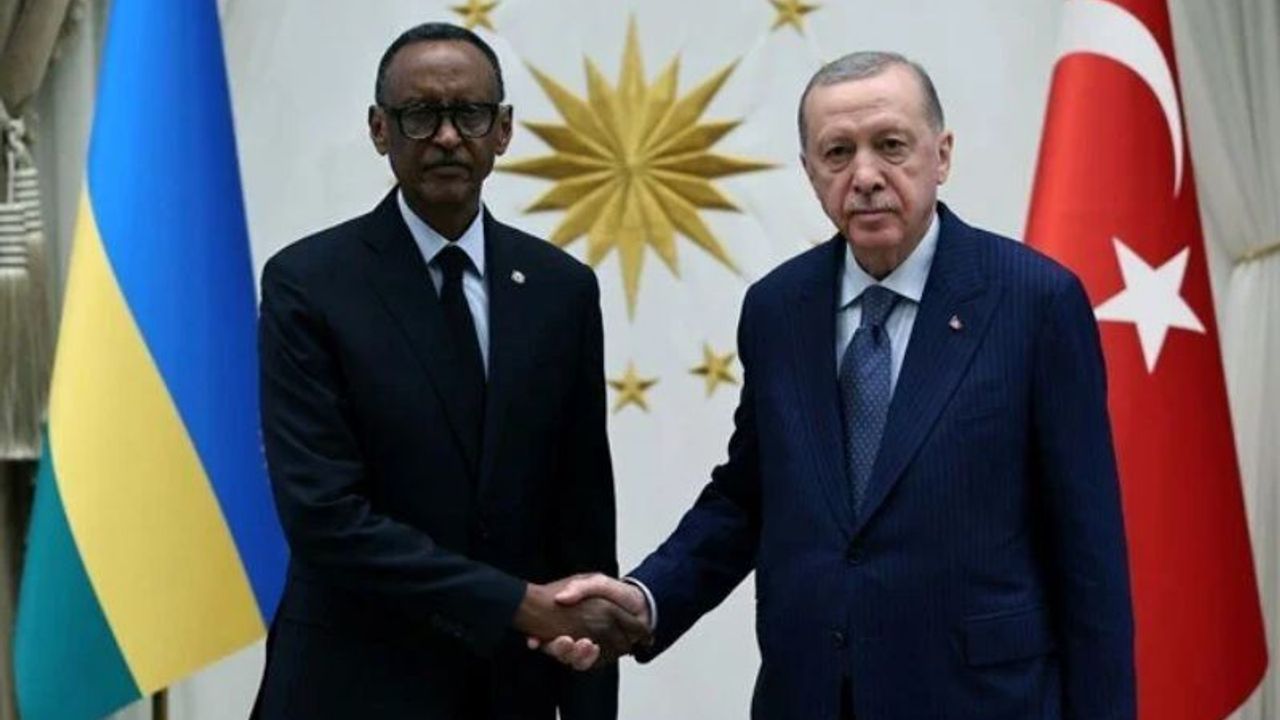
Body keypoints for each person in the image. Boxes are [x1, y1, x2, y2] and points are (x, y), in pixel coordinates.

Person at [540, 52, 1136, 719]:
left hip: (981, 699)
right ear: (809, 171)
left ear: (941, 155)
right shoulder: (778, 309)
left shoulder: (1035, 302)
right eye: (838, 153)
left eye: (891, 146)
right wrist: (648, 598)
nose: (866, 176)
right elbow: (747, 497)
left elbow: (1089, 551)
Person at [253, 22, 645, 720]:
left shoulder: (560, 289)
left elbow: (580, 518)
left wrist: (589, 702)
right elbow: (326, 518)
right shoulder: (309, 285)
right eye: (419, 114)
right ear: (380, 129)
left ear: (503, 130)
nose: (445, 137)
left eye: (469, 114)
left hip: (510, 693)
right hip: (352, 688)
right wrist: (517, 605)